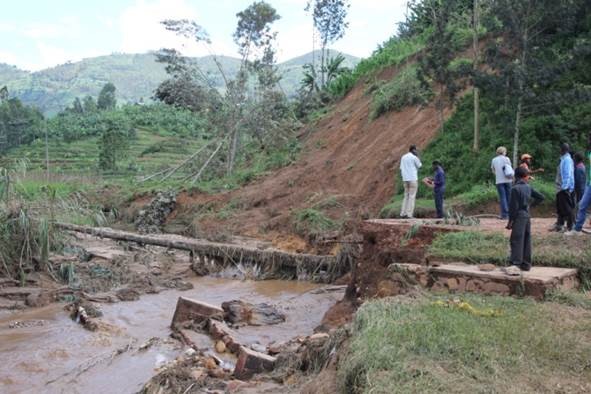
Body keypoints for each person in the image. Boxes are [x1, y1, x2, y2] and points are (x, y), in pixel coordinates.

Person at [506, 166, 544, 272]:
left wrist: (510, 222)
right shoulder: (528, 187)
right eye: (528, 176)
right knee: (526, 239)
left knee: (516, 239)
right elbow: (541, 197)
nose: (528, 178)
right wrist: (530, 205)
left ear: (516, 177)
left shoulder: (515, 189)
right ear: (524, 177)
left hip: (519, 216)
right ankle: (526, 264)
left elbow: (513, 208)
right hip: (527, 216)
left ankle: (515, 264)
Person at [568, 133, 591, 235]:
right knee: (582, 205)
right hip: (589, 183)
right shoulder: (589, 153)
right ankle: (577, 229)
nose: (588, 141)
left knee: (581, 204)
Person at [550, 143, 575, 232]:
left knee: (567, 208)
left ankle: (570, 227)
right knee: (560, 208)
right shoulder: (564, 159)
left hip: (564, 188)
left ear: (562, 150)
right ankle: (559, 225)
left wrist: (565, 188)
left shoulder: (567, 160)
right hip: (560, 188)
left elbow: (567, 175)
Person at [399, 145, 422, 218]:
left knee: (406, 196)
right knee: (412, 196)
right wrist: (418, 156)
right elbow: (420, 166)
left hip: (405, 179)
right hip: (412, 178)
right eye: (416, 150)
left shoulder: (403, 157)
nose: (416, 152)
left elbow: (401, 168)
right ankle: (409, 214)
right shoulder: (414, 157)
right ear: (413, 150)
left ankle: (403, 213)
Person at [491, 146, 513, 219]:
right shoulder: (507, 159)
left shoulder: (494, 160)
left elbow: (493, 170)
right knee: (509, 197)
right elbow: (509, 168)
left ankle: (504, 215)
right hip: (508, 180)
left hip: (499, 181)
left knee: (502, 197)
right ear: (504, 152)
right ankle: (510, 214)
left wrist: (497, 174)